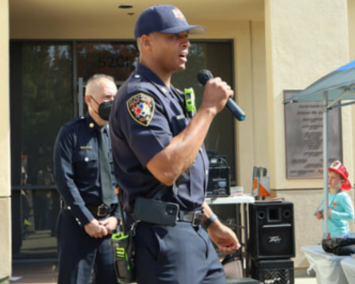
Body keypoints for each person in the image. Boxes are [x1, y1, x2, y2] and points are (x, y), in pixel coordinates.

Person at [110, 5, 240, 283]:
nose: (186, 43)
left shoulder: (173, 96)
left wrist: (211, 223)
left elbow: (183, 178)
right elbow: (167, 169)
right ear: (146, 42)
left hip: (195, 236)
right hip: (165, 238)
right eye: (173, 36)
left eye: (186, 36)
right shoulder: (139, 98)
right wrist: (207, 110)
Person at [54, 74, 120, 284]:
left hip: (110, 227)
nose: (112, 102)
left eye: (115, 97)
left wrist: (116, 217)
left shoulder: (119, 135)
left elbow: (125, 180)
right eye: (107, 97)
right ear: (89, 100)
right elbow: (64, 180)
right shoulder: (70, 133)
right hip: (77, 225)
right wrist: (87, 220)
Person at [315, 160, 355, 238]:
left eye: (333, 177)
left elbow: (351, 216)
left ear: (342, 181)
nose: (329, 179)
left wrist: (333, 214)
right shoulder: (325, 195)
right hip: (327, 234)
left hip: (340, 235)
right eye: (328, 177)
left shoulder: (343, 197)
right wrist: (320, 214)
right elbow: (324, 209)